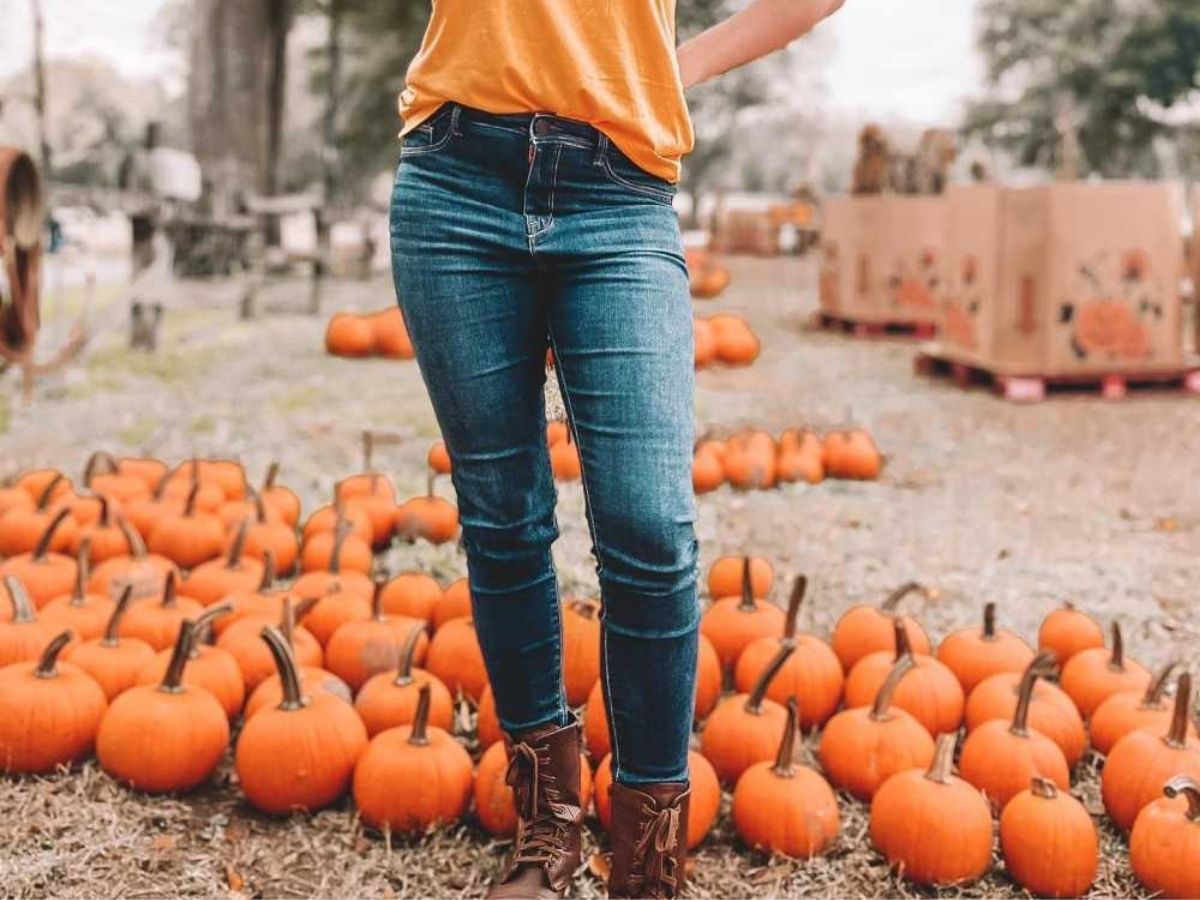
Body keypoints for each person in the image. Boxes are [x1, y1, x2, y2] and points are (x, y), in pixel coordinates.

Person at [390, 1, 846, 897]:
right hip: (455, 176)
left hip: (618, 196)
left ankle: (646, 856)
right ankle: (547, 825)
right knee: (503, 517)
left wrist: (668, 66)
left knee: (650, 527)